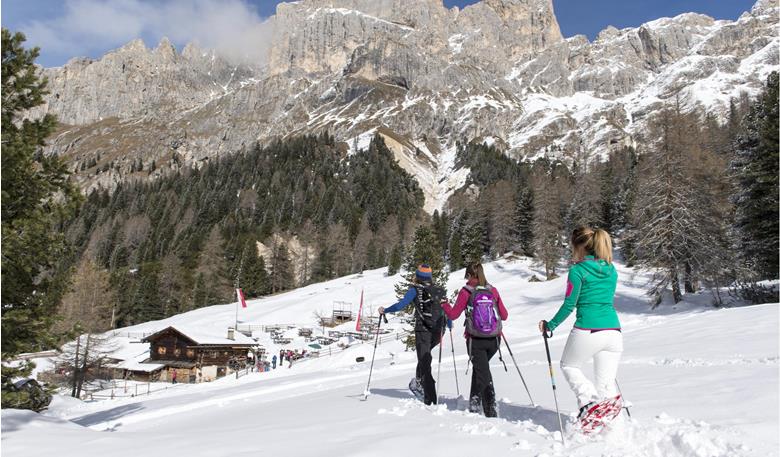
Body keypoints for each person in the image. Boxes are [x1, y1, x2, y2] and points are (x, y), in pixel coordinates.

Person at [538, 227, 622, 419]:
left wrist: (549, 326)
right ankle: (611, 421)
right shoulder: (611, 269)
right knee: (606, 384)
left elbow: (569, 305)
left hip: (588, 329)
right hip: (614, 332)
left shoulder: (578, 271)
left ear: (579, 247)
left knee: (569, 365)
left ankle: (588, 402)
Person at [441, 263, 508, 417]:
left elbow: (453, 315)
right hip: (494, 340)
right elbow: (504, 315)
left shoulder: (466, 291)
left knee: (483, 372)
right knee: (480, 368)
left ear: (469, 275)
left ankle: (491, 410)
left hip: (475, 341)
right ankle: (475, 402)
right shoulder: (493, 290)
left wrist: (444, 305)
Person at [379, 264, 450, 405]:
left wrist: (385, 310)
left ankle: (429, 397)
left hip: (423, 330)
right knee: (425, 358)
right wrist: (449, 324)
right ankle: (420, 382)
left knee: (425, 361)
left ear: (418, 276)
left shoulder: (414, 290)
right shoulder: (439, 290)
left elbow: (400, 305)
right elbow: (446, 309)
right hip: (438, 331)